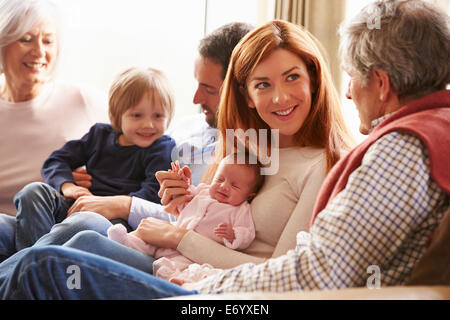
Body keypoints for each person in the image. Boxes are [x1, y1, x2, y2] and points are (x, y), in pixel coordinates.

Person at [0, 16, 362, 299]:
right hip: (179, 262)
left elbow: (283, 273)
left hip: (218, 289)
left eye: (292, 77)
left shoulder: (325, 164)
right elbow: (201, 218)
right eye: (263, 84)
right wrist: (180, 207)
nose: (280, 98)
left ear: (314, 79)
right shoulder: (248, 146)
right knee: (83, 234)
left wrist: (177, 235)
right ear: (248, 95)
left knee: (44, 262)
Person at [13, 66, 176, 251]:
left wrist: (105, 205)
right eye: (137, 115)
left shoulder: (162, 148)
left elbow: (150, 196)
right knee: (32, 191)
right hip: (77, 205)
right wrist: (70, 187)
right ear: (116, 115)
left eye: (158, 116)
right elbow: (56, 160)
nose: (148, 124)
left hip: (115, 221)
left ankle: (30, 261)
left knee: (84, 221)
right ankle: (30, 259)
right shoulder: (99, 134)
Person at [0, 0, 109, 261]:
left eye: (48, 41)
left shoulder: (83, 100)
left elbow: (139, 145)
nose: (39, 51)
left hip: (61, 228)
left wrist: (97, 171)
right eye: (26, 39)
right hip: (6, 227)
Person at [108, 156, 263, 284]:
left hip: (191, 253)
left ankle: (178, 282)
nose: (223, 186)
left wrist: (233, 234)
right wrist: (182, 183)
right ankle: (124, 241)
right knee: (143, 236)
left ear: (249, 196)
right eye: (219, 179)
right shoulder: (203, 191)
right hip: (170, 234)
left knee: (180, 267)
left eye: (235, 186)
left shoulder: (240, 210)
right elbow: (186, 198)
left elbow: (247, 233)